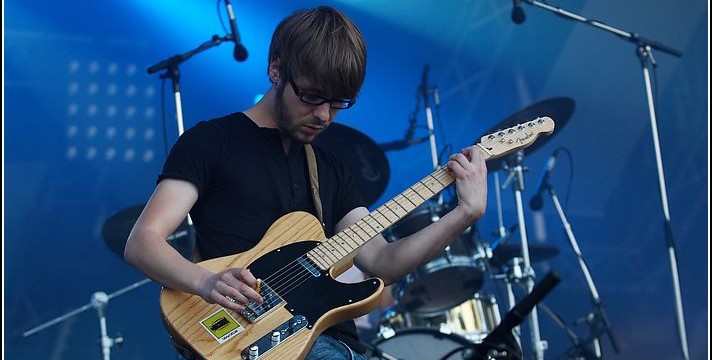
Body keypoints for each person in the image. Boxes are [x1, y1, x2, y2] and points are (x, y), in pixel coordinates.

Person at [124, 5, 488, 360]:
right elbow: (142, 243)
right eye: (311, 96)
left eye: (338, 102)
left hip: (330, 340)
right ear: (276, 69)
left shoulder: (329, 167)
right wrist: (205, 283)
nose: (323, 115)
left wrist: (464, 213)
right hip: (252, 340)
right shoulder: (212, 141)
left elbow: (383, 262)